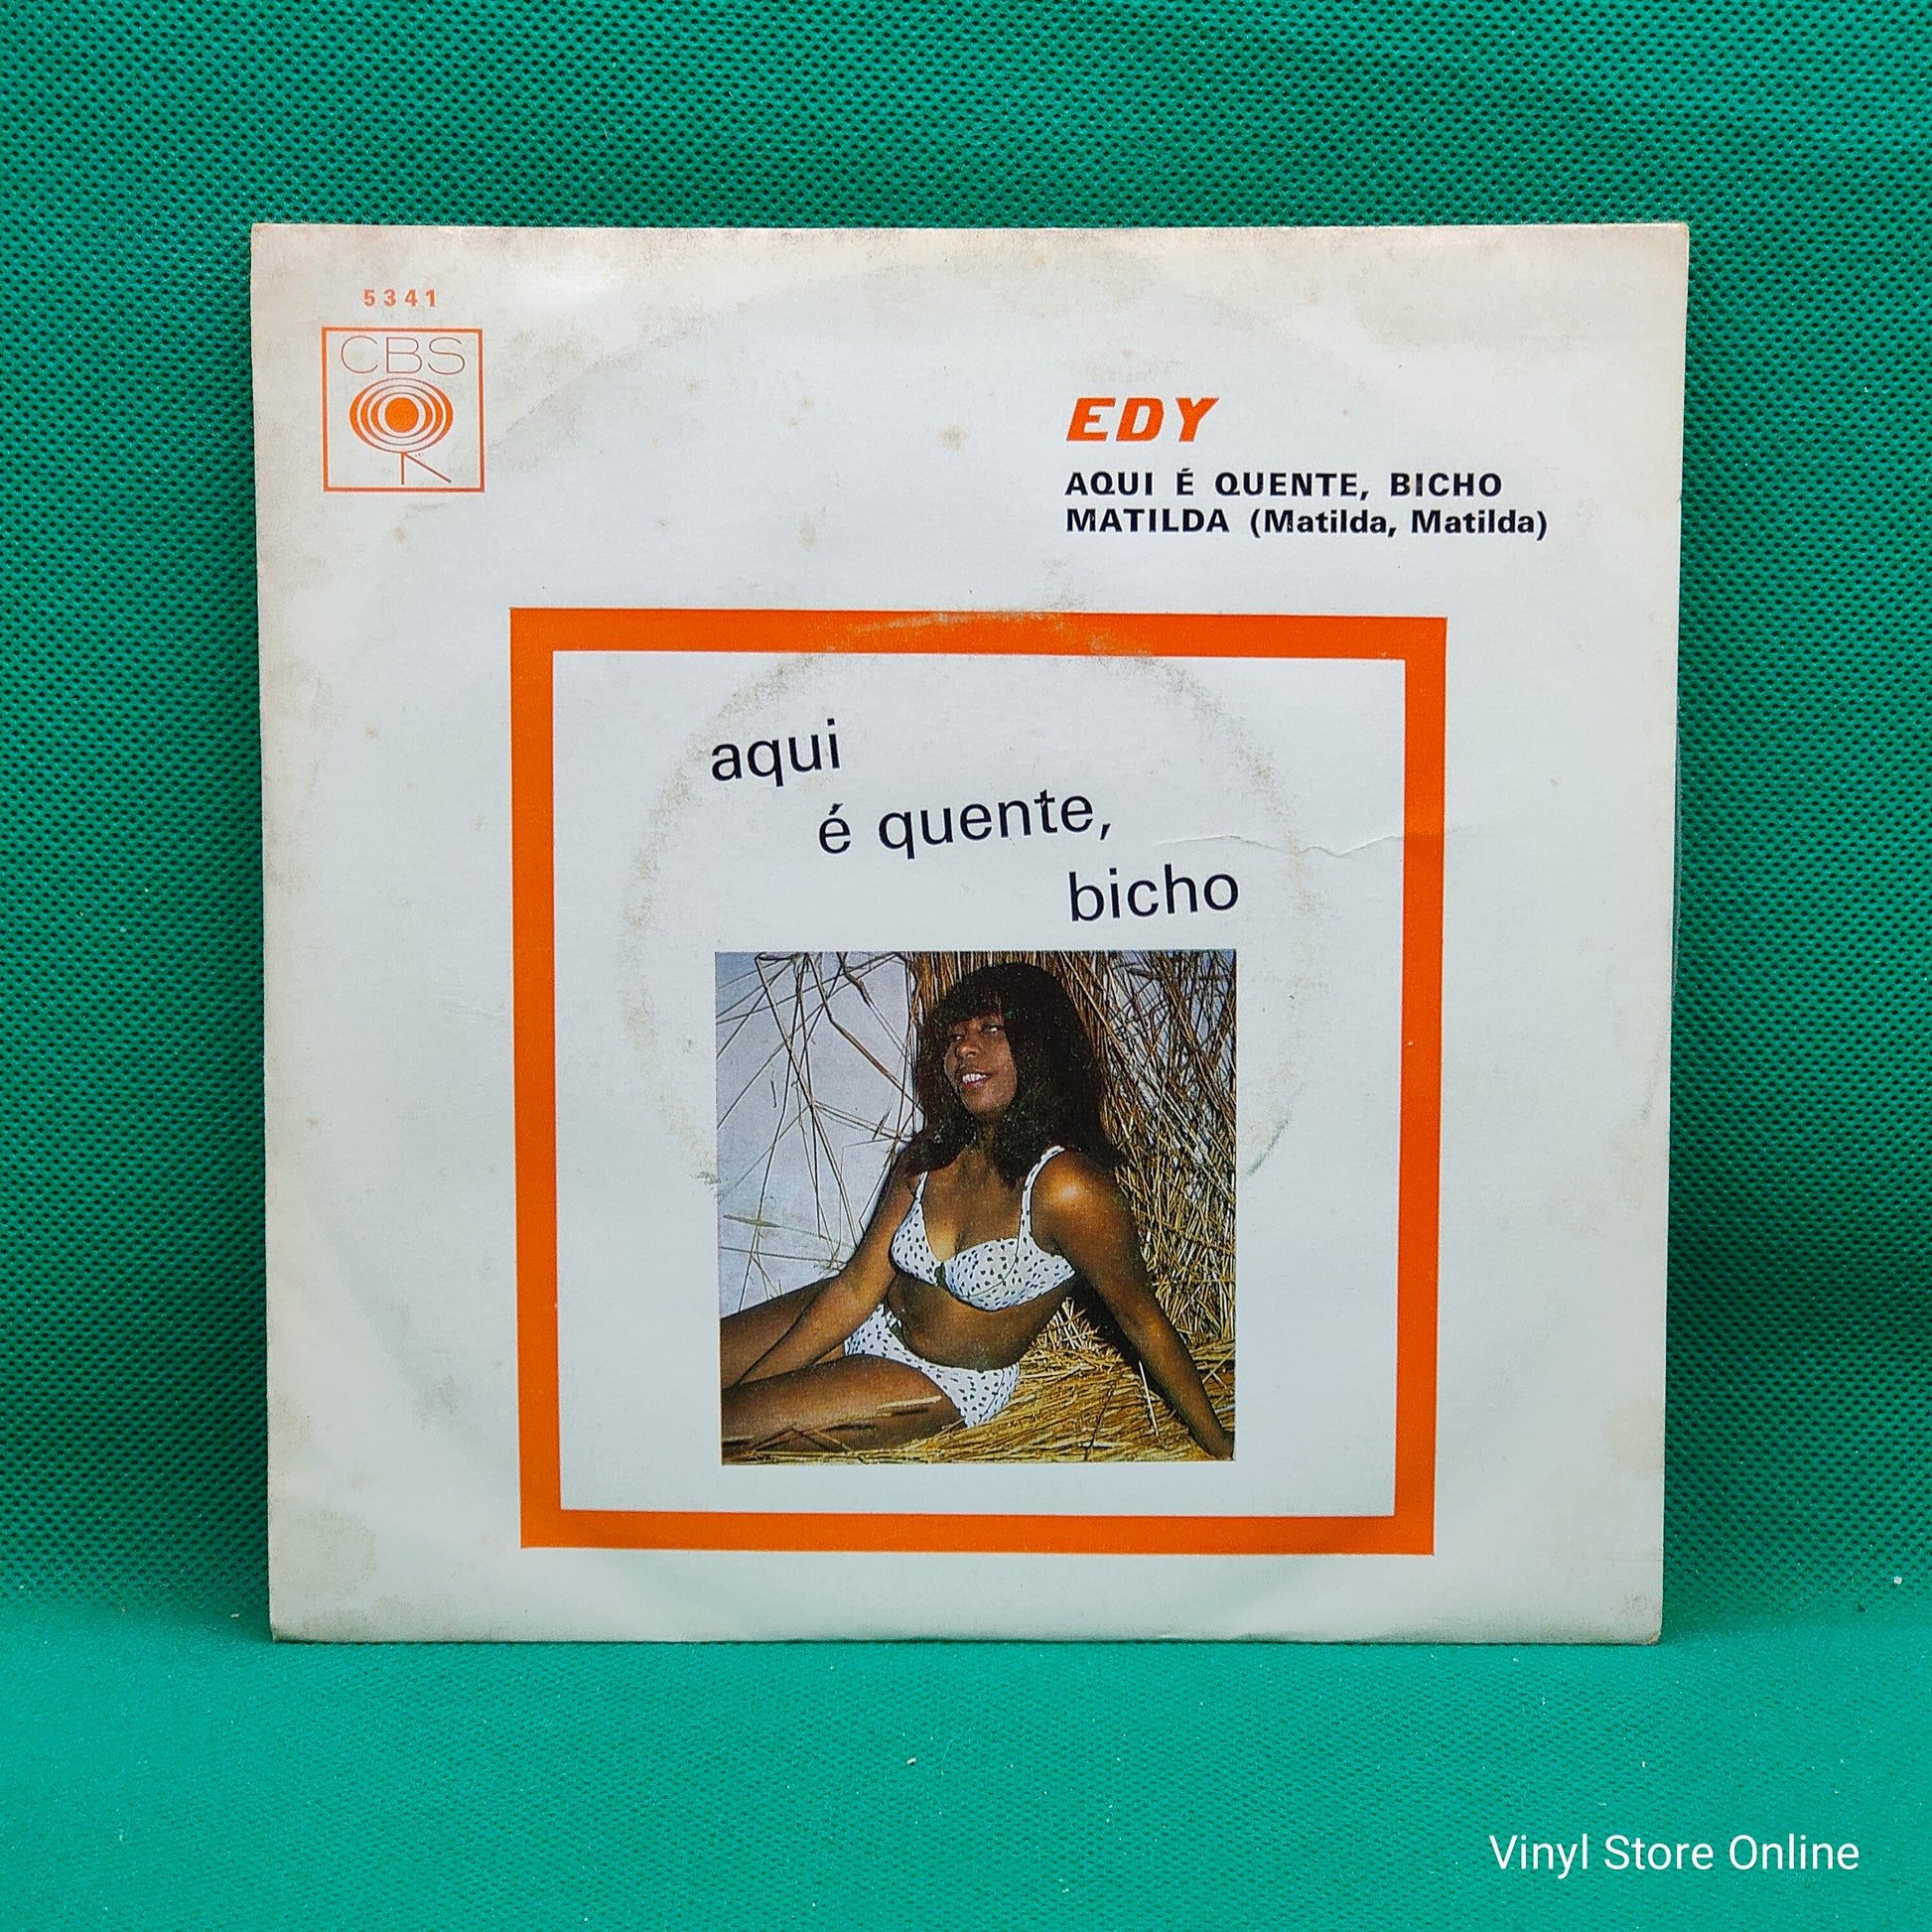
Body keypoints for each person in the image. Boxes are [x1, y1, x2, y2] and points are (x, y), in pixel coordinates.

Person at [721, 961, 1234, 1460]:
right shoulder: (929, 1156)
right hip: (866, 1316)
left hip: (936, 1378)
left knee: (718, 1433)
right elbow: (856, 1288)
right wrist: (755, 1383)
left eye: (991, 1029)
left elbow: (1143, 1321)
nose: (964, 1047)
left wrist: (1218, 1444)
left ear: (1040, 1046)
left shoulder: (1067, 1188)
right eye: (955, 1036)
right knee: (691, 1369)